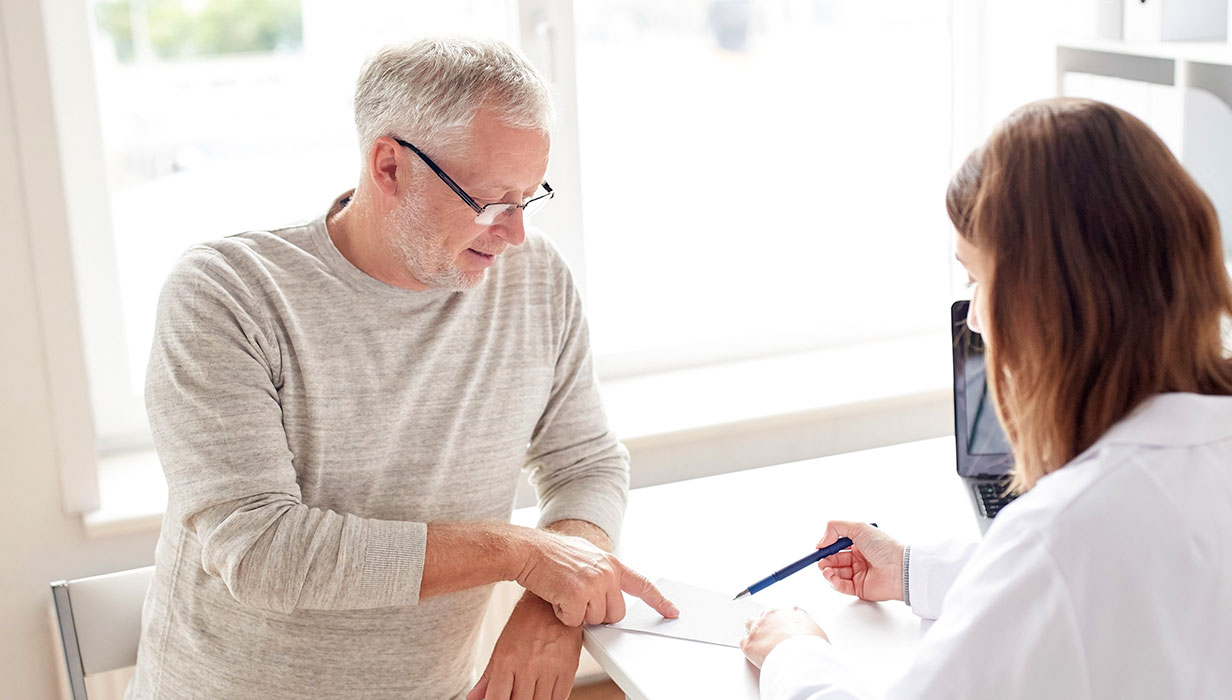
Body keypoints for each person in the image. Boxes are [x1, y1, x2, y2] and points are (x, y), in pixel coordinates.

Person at [126, 37, 678, 700]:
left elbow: (584, 464)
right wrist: (525, 555)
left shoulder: (533, 279)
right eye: (490, 200)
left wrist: (548, 604)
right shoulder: (226, 294)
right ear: (389, 166)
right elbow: (263, 554)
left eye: (528, 198)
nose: (515, 235)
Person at [739, 97, 1232, 698]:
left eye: (977, 279)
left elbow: (1058, 574)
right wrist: (913, 570)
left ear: (1048, 303)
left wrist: (796, 651)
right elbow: (1113, 586)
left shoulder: (1062, 533)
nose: (973, 320)